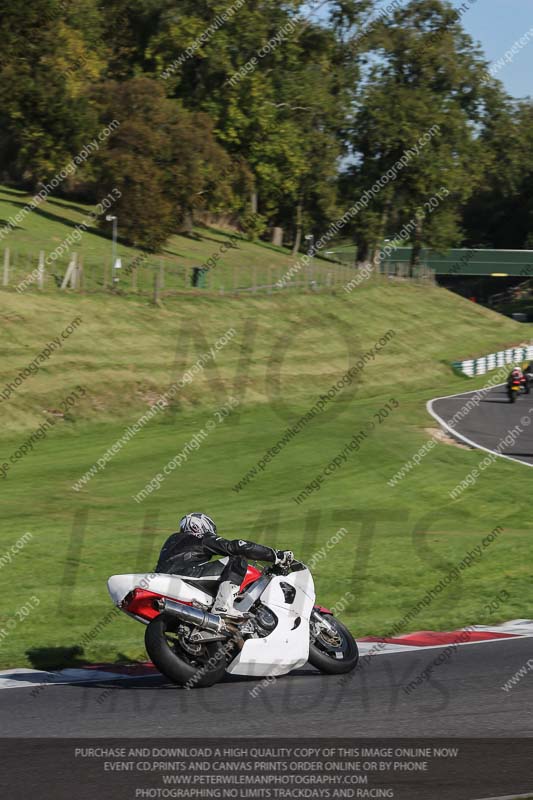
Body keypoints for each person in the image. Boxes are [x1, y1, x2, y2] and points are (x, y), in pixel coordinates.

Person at [155, 513, 293, 619]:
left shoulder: (172, 541)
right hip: (187, 574)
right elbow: (237, 546)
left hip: (164, 578)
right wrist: (275, 555)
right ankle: (223, 606)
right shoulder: (201, 538)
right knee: (238, 558)